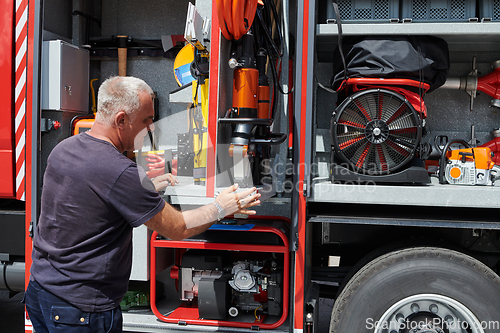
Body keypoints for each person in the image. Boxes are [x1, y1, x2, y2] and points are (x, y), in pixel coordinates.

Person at [24, 76, 260, 333]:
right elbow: (178, 228)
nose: (150, 128)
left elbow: (90, 200)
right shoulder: (120, 172)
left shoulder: (64, 149)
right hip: (81, 309)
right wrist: (222, 206)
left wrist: (143, 189)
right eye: (147, 120)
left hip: (41, 292)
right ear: (121, 120)